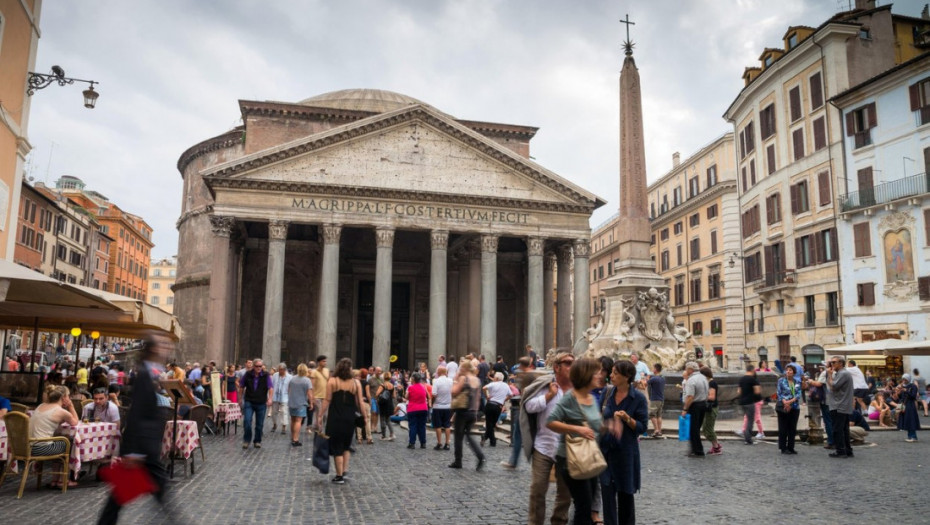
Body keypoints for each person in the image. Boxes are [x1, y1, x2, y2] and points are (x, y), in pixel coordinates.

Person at [97, 333, 174, 524]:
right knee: (122, 495)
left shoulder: (149, 373)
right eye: (163, 344)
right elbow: (136, 413)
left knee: (123, 496)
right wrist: (132, 451)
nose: (168, 348)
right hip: (142, 448)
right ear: (154, 349)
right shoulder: (144, 376)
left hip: (145, 447)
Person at [545, 358, 603, 525]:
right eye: (596, 372)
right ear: (586, 375)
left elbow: (596, 425)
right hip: (571, 459)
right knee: (583, 506)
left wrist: (610, 426)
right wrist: (577, 429)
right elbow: (551, 421)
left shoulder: (591, 397)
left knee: (587, 504)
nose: (600, 375)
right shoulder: (571, 397)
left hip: (589, 457)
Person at [523, 351, 574, 525]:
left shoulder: (578, 389)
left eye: (572, 363)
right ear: (557, 367)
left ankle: (558, 522)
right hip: (543, 446)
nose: (571, 366)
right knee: (537, 489)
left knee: (565, 492)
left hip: (568, 448)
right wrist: (548, 396)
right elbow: (529, 407)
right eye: (567, 363)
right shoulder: (545, 385)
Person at [600, 360, 648, 525]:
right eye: (611, 372)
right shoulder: (606, 394)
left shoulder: (639, 398)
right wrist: (607, 425)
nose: (611, 375)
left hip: (626, 454)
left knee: (626, 496)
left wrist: (628, 419)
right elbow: (597, 419)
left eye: (615, 373)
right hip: (606, 451)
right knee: (607, 497)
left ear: (626, 377)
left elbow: (642, 427)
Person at [321, 357, 365, 485]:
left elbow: (327, 400)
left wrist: (320, 416)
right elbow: (360, 402)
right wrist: (364, 416)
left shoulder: (332, 381)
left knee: (336, 447)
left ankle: (339, 476)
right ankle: (344, 472)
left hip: (335, 418)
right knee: (346, 445)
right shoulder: (356, 383)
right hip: (349, 418)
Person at [30, 385, 79, 488]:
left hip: (29, 447)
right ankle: (62, 481)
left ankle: (55, 480)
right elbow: (75, 422)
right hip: (41, 449)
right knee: (69, 444)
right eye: (69, 396)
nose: (69, 398)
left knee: (59, 444)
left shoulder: (41, 406)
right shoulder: (60, 411)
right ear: (64, 397)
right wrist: (71, 406)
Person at [448, 360, 484, 470]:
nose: (460, 370)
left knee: (458, 437)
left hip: (462, 410)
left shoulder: (464, 379)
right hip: (472, 412)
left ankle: (458, 461)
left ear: (465, 369)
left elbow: (454, 392)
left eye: (461, 368)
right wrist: (475, 413)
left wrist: (455, 380)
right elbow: (478, 399)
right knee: (468, 436)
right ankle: (480, 456)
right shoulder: (477, 380)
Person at [501, 356, 532, 469]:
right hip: (526, 407)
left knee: (518, 434)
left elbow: (522, 390)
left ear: (522, 365)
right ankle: (513, 461)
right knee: (519, 433)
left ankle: (514, 461)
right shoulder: (532, 374)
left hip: (524, 408)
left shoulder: (525, 375)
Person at [239, 358, 273, 449]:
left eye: (260, 366)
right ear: (253, 366)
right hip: (249, 401)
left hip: (261, 402)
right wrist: (240, 398)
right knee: (247, 421)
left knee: (259, 424)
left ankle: (257, 441)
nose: (259, 368)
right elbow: (241, 386)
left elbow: (270, 387)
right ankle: (246, 440)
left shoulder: (266, 375)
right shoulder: (248, 374)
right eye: (257, 366)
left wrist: (270, 399)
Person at [826, 357, 854, 458]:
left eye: (833, 362)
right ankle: (847, 450)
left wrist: (829, 374)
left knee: (838, 429)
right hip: (842, 405)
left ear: (841, 363)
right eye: (831, 362)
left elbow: (833, 386)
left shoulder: (843, 374)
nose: (831, 364)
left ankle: (841, 451)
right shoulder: (842, 373)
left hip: (839, 405)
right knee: (844, 429)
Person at [681, 361, 708, 457]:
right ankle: (695, 449)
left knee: (693, 429)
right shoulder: (703, 377)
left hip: (695, 406)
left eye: (686, 369)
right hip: (703, 404)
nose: (685, 370)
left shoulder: (691, 380)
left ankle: (698, 450)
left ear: (690, 369)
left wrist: (685, 409)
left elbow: (690, 397)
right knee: (696, 428)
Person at [775, 365, 801, 454]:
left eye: (790, 370)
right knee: (783, 428)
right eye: (787, 370)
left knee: (792, 428)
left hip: (794, 407)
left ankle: (791, 447)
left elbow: (798, 394)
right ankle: (783, 447)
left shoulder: (797, 381)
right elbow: (779, 393)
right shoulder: (781, 381)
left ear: (794, 372)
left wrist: (790, 402)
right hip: (783, 406)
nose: (788, 372)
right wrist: (785, 402)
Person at [482, 372, 511, 447]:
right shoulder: (506, 385)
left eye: (494, 377)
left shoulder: (493, 383)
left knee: (489, 423)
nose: (493, 378)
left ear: (497, 378)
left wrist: (487, 396)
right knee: (492, 424)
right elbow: (511, 394)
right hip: (498, 406)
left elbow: (484, 388)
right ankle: (489, 439)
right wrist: (504, 399)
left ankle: (489, 439)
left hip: (490, 404)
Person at [287, 363, 312, 446]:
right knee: (298, 421)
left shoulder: (292, 379)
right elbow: (309, 393)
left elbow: (288, 390)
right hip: (301, 403)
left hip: (292, 402)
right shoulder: (307, 380)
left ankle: (292, 437)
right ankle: (295, 439)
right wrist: (311, 403)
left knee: (293, 420)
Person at [699, 366, 721, 455]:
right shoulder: (708, 382)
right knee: (705, 428)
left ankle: (716, 448)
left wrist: (700, 396)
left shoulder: (712, 383)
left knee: (708, 428)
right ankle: (715, 446)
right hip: (708, 408)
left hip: (711, 408)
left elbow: (712, 397)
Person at [431, 366, 453, 450]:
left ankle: (439, 443)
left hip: (438, 406)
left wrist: (432, 402)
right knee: (447, 425)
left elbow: (434, 394)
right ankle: (447, 443)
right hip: (448, 406)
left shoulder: (436, 381)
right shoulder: (450, 381)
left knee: (438, 426)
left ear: (439, 372)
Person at [406, 372, 429, 449]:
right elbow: (427, 396)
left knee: (413, 426)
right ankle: (423, 443)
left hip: (413, 408)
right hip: (423, 408)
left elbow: (407, 397)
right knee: (422, 426)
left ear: (413, 379)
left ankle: (412, 443)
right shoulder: (423, 387)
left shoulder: (411, 387)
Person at [270, 363, 292, 434]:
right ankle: (274, 424)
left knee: (284, 412)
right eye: (279, 369)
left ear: (285, 370)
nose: (280, 371)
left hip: (285, 397)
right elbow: (272, 386)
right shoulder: (275, 375)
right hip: (275, 396)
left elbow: (290, 387)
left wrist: (290, 396)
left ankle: (284, 427)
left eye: (282, 370)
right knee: (274, 412)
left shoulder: (290, 377)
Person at [899, 374, 921, 442]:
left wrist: (906, 391)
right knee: (907, 420)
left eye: (905, 379)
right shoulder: (904, 386)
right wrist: (899, 392)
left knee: (911, 420)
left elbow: (913, 396)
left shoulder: (913, 386)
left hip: (910, 405)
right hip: (905, 404)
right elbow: (902, 397)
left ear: (908, 379)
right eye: (903, 379)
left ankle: (913, 436)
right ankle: (909, 436)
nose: (904, 381)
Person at [374, 371, 395, 440]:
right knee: (388, 420)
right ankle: (392, 434)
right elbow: (394, 396)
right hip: (389, 403)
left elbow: (377, 394)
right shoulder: (392, 385)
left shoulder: (382, 385)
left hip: (383, 404)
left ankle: (383, 435)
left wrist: (378, 398)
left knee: (382, 419)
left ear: (384, 377)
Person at [646, 363, 666, 438]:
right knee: (659, 415)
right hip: (661, 399)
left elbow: (645, 384)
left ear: (655, 369)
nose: (652, 370)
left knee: (652, 414)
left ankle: (656, 430)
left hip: (654, 399)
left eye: (653, 368)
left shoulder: (654, 379)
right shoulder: (663, 378)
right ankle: (659, 431)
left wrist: (647, 378)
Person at [310, 357, 328, 433]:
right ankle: (319, 431)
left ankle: (316, 427)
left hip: (326, 397)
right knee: (319, 414)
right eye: (323, 361)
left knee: (325, 416)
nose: (325, 363)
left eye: (325, 361)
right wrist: (312, 397)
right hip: (317, 397)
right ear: (319, 362)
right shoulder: (314, 372)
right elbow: (312, 385)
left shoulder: (327, 371)